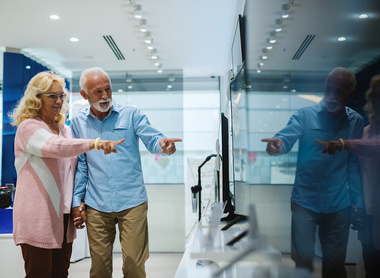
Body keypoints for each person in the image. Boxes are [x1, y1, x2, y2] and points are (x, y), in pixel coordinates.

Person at [9, 71, 124, 278]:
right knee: (39, 273)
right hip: (36, 216)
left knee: (60, 273)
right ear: (37, 99)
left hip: (62, 216)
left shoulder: (65, 130)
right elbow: (56, 147)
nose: (59, 101)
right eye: (52, 96)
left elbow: (74, 170)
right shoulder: (29, 127)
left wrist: (76, 205)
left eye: (61, 95)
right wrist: (95, 143)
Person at [71, 67, 182, 278]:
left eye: (108, 89)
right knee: (99, 268)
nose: (105, 96)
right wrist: (77, 201)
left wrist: (164, 146)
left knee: (134, 264)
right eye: (98, 92)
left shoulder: (132, 115)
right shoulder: (78, 122)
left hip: (132, 202)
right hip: (97, 204)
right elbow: (81, 164)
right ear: (84, 95)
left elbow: (153, 139)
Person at [261, 67, 365, 278]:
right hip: (305, 202)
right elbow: (283, 141)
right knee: (302, 264)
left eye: (339, 91)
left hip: (339, 204)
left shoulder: (356, 122)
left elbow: (353, 166)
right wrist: (275, 147)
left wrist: (358, 203)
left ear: (351, 94)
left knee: (335, 266)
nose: (332, 96)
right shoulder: (304, 115)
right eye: (329, 89)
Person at [317, 74, 380, 278]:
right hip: (369, 214)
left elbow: (375, 148)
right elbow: (356, 171)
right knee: (371, 267)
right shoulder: (366, 131)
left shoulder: (363, 139)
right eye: (376, 96)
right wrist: (357, 204)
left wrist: (344, 144)